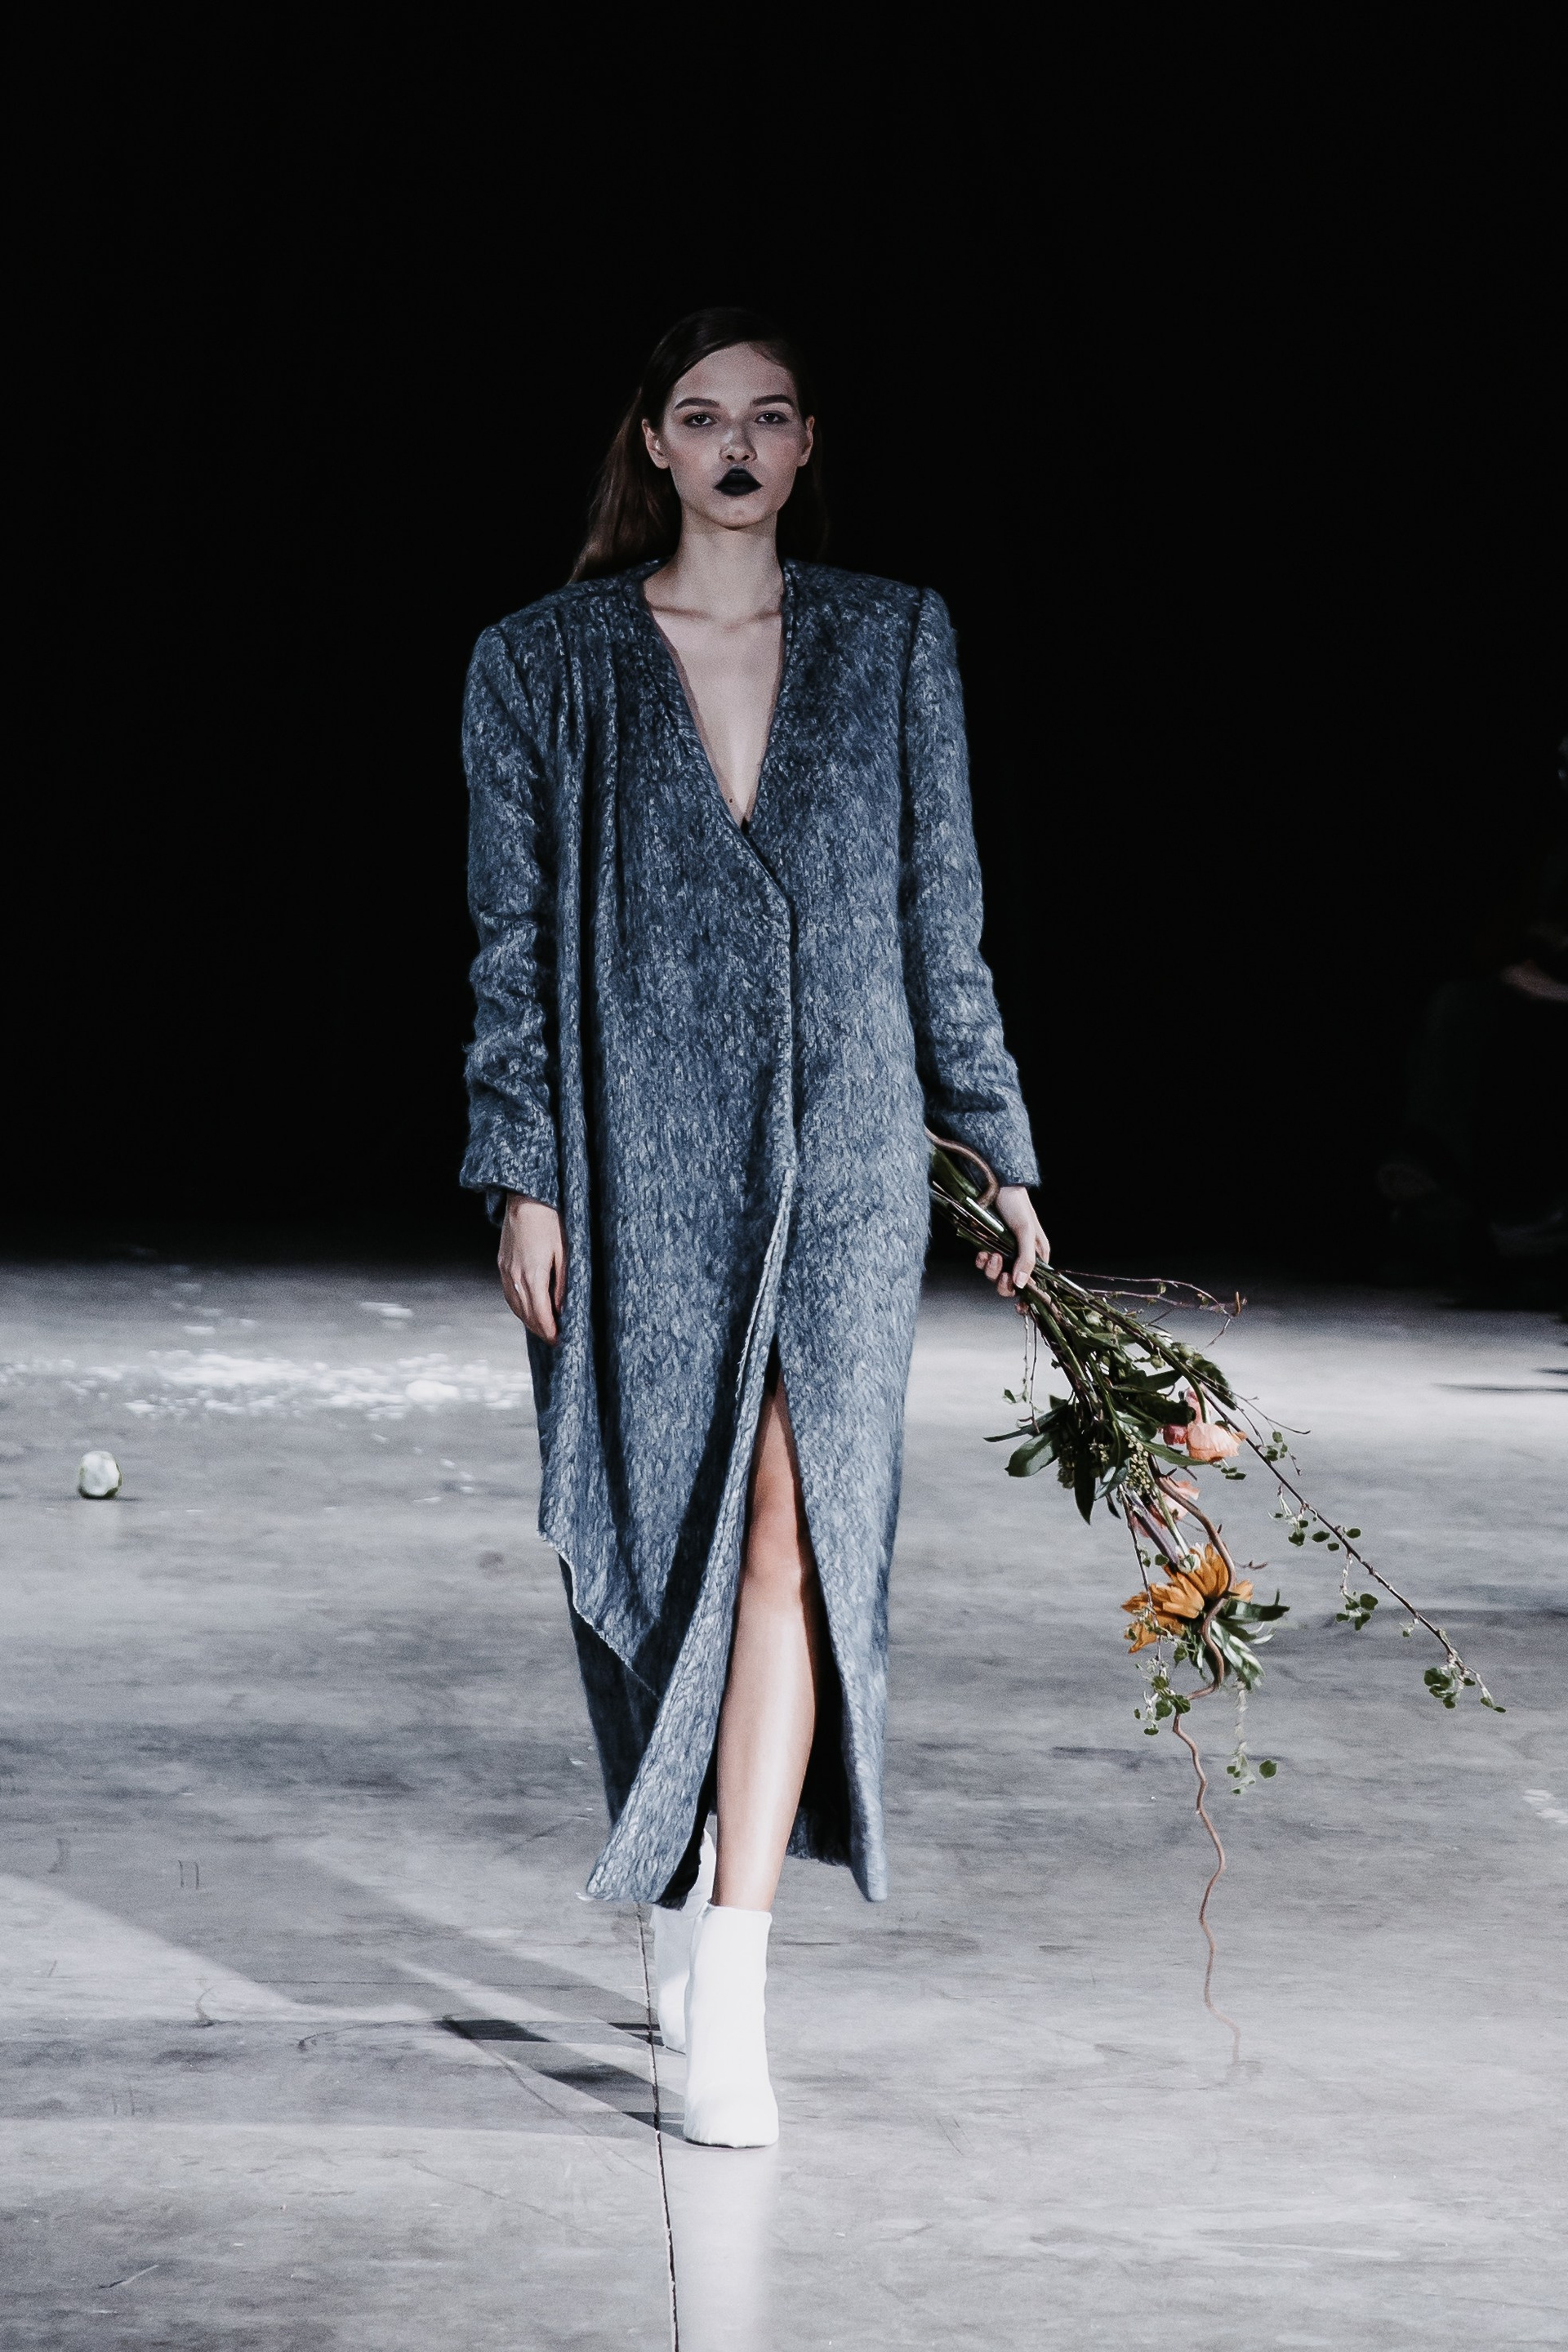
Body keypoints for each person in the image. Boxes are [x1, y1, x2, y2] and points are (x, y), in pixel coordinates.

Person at [461, 309, 1043, 2146]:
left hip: (853, 1150)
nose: (735, 445)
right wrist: (524, 1169)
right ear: (652, 441)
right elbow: (510, 948)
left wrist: (996, 1142)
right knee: (655, 1524)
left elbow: (943, 913)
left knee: (799, 1526)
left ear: (806, 448)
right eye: (702, 415)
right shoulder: (542, 665)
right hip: (640, 1156)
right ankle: (678, 1859)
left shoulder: (894, 639)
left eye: (768, 418)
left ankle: (738, 1975)